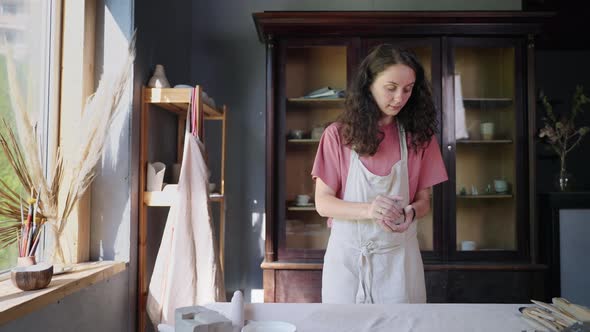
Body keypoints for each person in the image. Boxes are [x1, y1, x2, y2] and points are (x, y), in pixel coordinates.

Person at [312, 44, 448, 304]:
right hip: (347, 262)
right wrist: (370, 210)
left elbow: (424, 200)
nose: (399, 97)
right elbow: (323, 203)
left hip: (400, 262)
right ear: (369, 84)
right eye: (391, 88)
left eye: (408, 90)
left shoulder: (419, 138)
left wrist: (411, 212)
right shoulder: (338, 135)